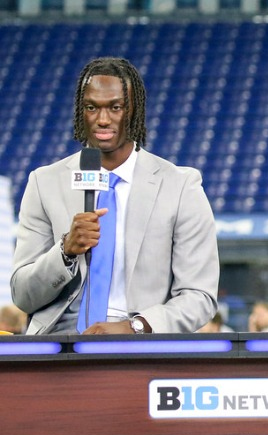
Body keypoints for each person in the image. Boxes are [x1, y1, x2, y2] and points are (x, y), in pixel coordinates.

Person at [10, 57, 219, 335]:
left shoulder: (180, 186)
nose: (103, 119)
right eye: (92, 107)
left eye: (115, 107)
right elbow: (23, 295)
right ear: (80, 112)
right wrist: (65, 251)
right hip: (59, 342)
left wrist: (135, 327)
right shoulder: (44, 182)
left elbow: (199, 296)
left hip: (139, 344)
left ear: (133, 111)